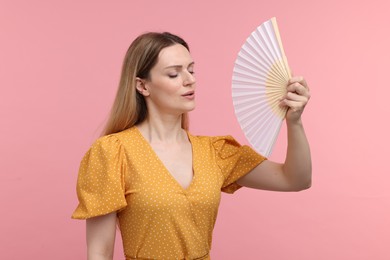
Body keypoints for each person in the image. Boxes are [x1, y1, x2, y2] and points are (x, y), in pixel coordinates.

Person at [72, 32, 311, 260]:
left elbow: (295, 180)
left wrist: (295, 121)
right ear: (142, 86)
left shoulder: (216, 152)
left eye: (191, 69)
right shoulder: (112, 153)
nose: (190, 80)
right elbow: (99, 253)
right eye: (174, 74)